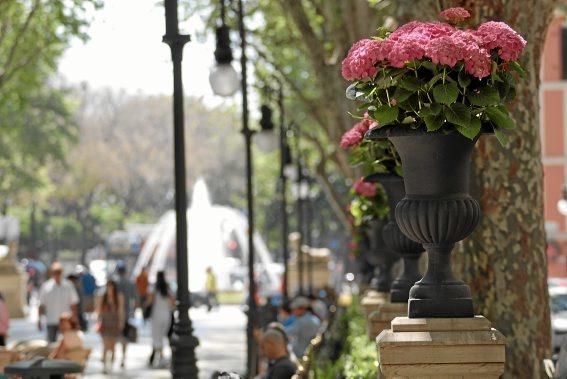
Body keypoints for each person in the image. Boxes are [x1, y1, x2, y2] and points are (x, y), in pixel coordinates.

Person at [38, 262, 79, 343]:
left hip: (66, 321)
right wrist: (39, 319)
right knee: (51, 344)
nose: (57, 275)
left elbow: (73, 303)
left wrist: (75, 318)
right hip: (51, 320)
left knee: (66, 343)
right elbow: (41, 305)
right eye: (55, 273)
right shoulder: (46, 287)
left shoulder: (68, 286)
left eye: (59, 272)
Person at [146, 271, 174, 367]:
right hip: (166, 315)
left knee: (157, 337)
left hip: (157, 315)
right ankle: (159, 357)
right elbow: (172, 302)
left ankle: (160, 358)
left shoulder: (154, 289)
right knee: (161, 337)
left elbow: (149, 301)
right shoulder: (167, 288)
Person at [96, 279, 124, 374]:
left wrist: (120, 323)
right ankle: (104, 366)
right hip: (105, 323)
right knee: (104, 346)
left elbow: (121, 311)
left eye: (111, 286)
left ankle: (111, 365)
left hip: (114, 324)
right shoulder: (102, 297)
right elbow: (98, 311)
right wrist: (98, 322)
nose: (110, 288)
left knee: (113, 346)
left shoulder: (118, 297)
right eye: (108, 286)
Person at [115, 261, 138, 368]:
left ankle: (115, 356)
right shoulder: (130, 283)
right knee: (124, 337)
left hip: (115, 314)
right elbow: (135, 299)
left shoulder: (115, 282)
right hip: (127, 314)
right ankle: (123, 357)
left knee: (115, 336)